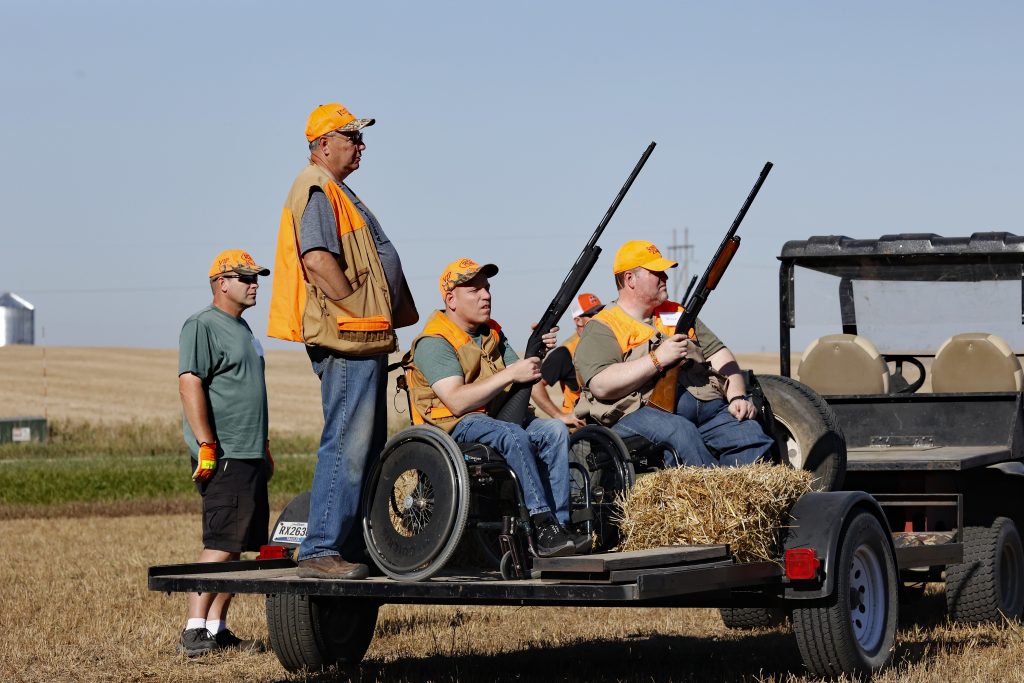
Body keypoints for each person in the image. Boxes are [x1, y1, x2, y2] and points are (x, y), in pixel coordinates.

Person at [267, 102, 418, 580]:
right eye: (352, 137)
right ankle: (320, 550)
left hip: (365, 337)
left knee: (365, 444)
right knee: (347, 443)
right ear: (323, 144)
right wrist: (354, 306)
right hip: (349, 337)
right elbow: (316, 258)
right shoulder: (315, 188)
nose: (361, 145)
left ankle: (348, 546)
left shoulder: (337, 190)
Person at [405, 258, 581, 557]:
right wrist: (512, 373)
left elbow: (521, 376)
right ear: (451, 299)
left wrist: (537, 354)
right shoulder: (435, 341)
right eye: (474, 290)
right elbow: (457, 400)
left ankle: (558, 528)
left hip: (497, 419)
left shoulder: (492, 334)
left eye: (487, 288)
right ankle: (540, 524)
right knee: (513, 435)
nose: (486, 295)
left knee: (553, 431)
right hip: (455, 426)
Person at [573, 240, 774, 468]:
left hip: (704, 404)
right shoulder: (603, 326)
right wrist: (657, 359)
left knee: (749, 434)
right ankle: (711, 498)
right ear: (630, 279)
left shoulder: (677, 312)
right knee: (681, 433)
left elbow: (719, 354)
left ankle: (740, 501)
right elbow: (601, 384)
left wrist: (737, 396)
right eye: (656, 272)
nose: (665, 277)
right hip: (636, 414)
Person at [177, 249, 273, 657]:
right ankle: (193, 628)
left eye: (256, 278)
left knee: (238, 543)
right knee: (220, 540)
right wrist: (206, 444)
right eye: (246, 277)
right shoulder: (202, 325)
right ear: (222, 282)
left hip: (250, 452)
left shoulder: (244, 328)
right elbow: (189, 383)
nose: (255, 284)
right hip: (226, 452)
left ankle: (216, 627)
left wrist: (264, 447)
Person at [530, 293, 604, 427]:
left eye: (600, 313)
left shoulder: (604, 343)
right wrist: (560, 416)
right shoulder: (565, 353)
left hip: (604, 425)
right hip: (581, 433)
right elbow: (535, 387)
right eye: (592, 315)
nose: (598, 318)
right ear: (578, 320)